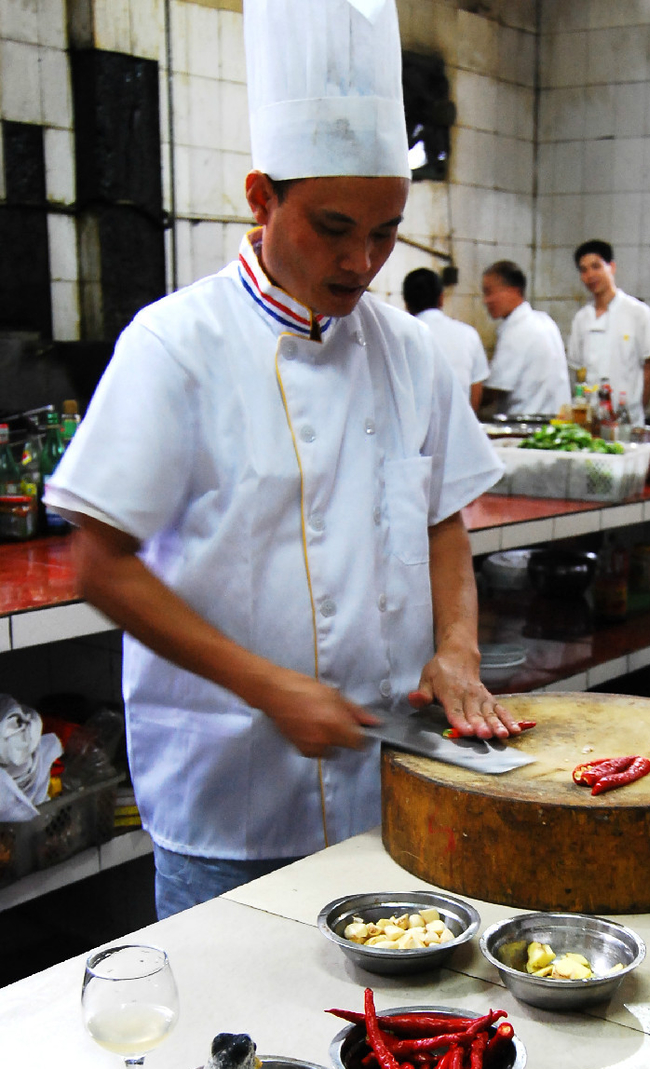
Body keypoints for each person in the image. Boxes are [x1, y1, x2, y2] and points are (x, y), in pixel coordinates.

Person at [44, 0, 519, 919]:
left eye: (386, 232)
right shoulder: (175, 346)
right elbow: (100, 566)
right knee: (233, 1013)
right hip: (231, 797)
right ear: (261, 197)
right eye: (334, 227)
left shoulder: (411, 350)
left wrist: (457, 648)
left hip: (390, 788)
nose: (362, 261)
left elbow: (442, 522)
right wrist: (269, 687)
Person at [567, 239, 650, 424]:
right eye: (584, 270)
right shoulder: (581, 319)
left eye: (596, 266)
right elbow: (577, 371)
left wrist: (636, 410)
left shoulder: (639, 313)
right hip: (591, 420)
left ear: (612, 267)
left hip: (628, 420)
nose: (590, 275)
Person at [481, 260, 571, 417]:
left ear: (513, 291)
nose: (485, 300)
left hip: (529, 422)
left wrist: (466, 400)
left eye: (489, 292)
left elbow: (495, 389)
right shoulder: (544, 320)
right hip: (558, 420)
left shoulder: (516, 330)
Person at [402, 267, 489, 413]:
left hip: (415, 424)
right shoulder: (469, 334)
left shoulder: (401, 336)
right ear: (441, 298)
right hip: (460, 423)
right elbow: (476, 389)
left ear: (406, 303)